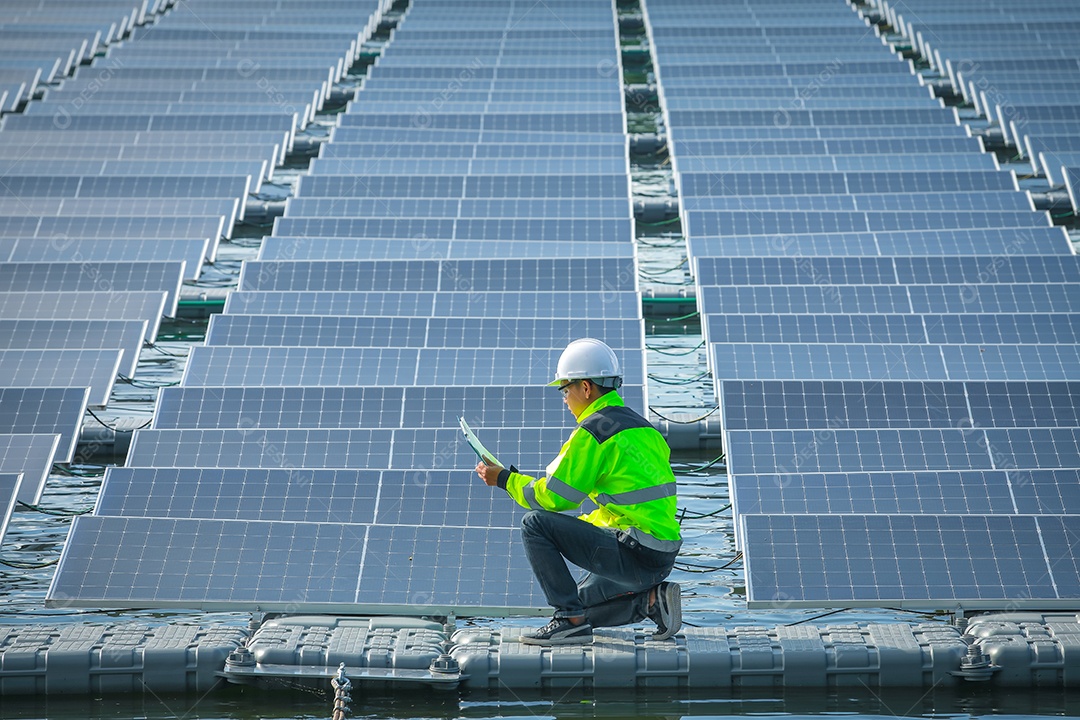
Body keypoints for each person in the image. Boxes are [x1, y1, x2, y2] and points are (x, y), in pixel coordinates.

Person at [475, 337, 682, 646]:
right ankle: (652, 601)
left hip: (634, 553)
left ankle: (567, 622)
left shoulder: (595, 431)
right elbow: (627, 502)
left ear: (586, 388)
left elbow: (555, 498)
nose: (565, 399)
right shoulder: (644, 428)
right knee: (580, 605)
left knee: (535, 524)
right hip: (660, 557)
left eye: (566, 389)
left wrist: (505, 479)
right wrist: (586, 526)